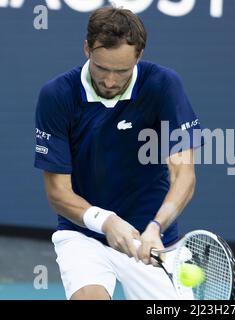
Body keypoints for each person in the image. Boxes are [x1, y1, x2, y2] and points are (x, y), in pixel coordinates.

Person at [34, 6, 202, 300]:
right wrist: (107, 222)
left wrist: (155, 226)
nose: (110, 81)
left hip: (153, 241)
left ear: (138, 56)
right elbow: (58, 193)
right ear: (87, 49)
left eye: (122, 71)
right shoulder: (57, 95)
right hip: (84, 234)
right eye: (102, 68)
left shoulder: (163, 86)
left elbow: (184, 174)